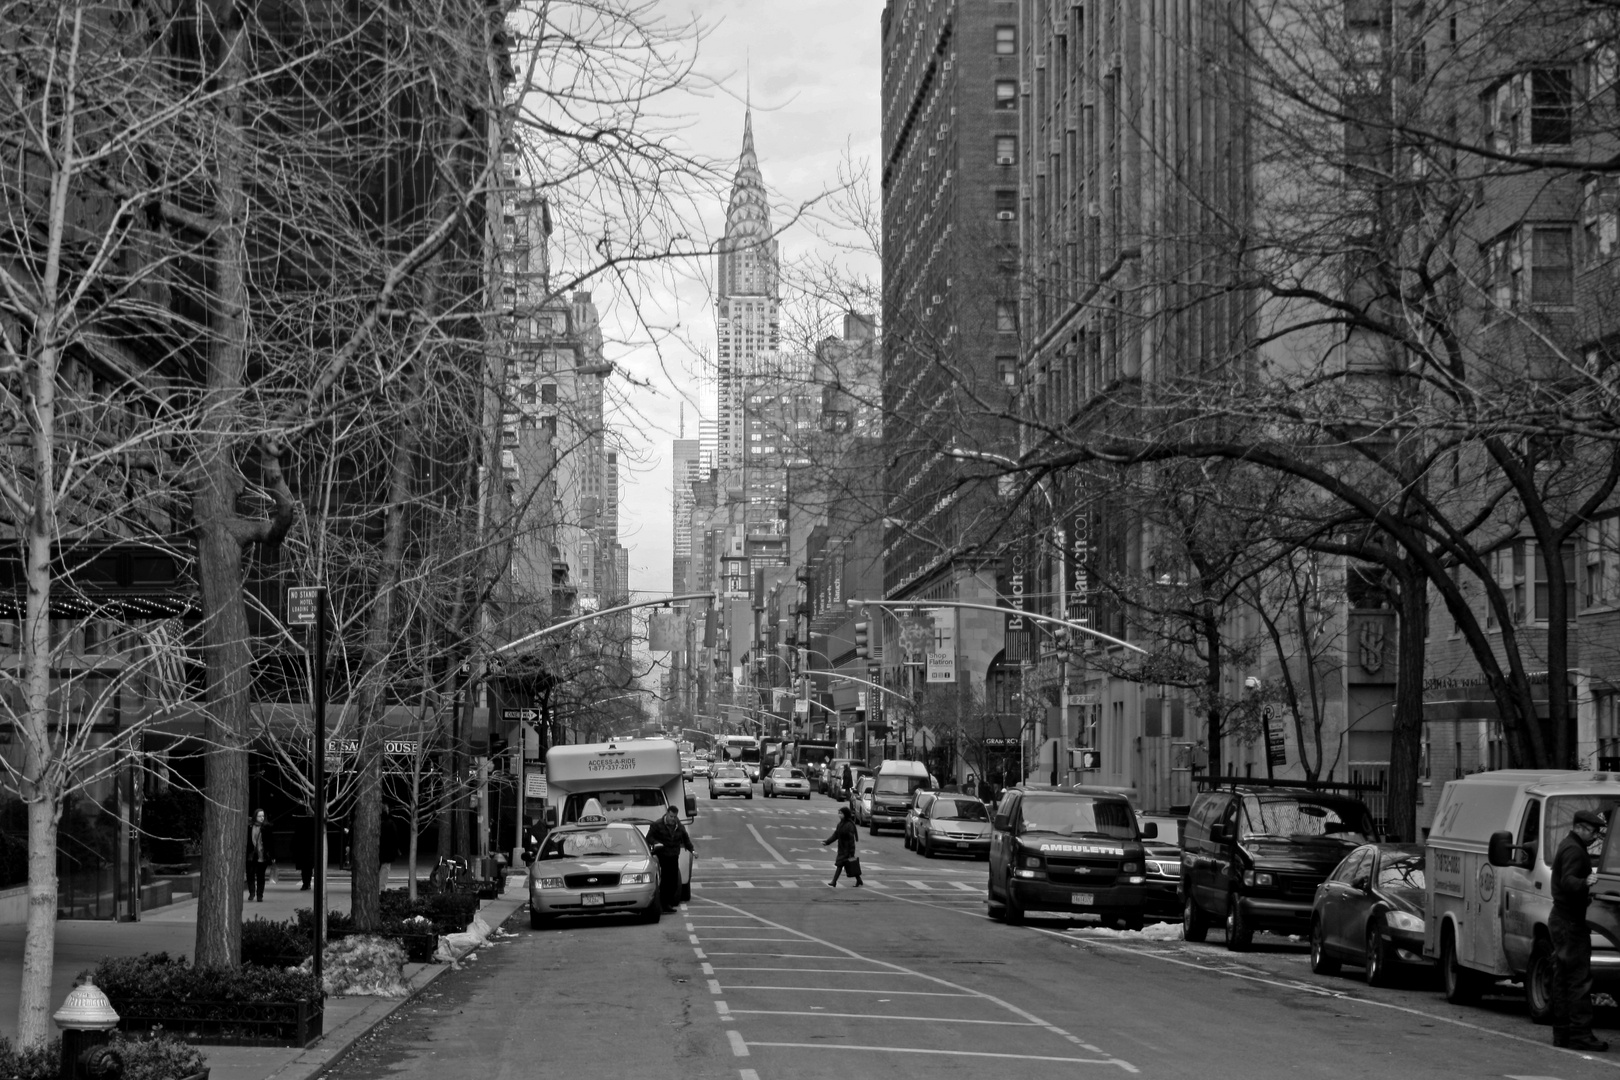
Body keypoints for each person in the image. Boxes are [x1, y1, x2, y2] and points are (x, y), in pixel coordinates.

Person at [1551, 808, 1609, 1052]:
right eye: (1593, 832)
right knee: (1578, 979)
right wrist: (1585, 882)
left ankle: (1563, 1033)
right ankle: (1580, 1035)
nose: (1595, 837)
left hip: (1562, 919)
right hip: (1571, 922)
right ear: (1581, 828)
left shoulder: (1567, 845)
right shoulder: (1575, 850)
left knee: (1563, 978)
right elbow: (1568, 881)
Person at [646, 805, 694, 912]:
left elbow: (685, 838)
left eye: (675, 817)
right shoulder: (657, 825)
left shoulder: (679, 826)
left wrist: (692, 850)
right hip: (662, 855)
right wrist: (656, 843)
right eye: (671, 816)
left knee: (673, 881)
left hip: (674, 855)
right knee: (666, 879)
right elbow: (649, 838)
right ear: (667, 814)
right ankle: (664, 904)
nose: (673, 819)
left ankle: (667, 902)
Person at [823, 806, 862, 888]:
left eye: (841, 813)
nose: (839, 815)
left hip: (847, 850)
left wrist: (852, 853)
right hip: (841, 848)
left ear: (845, 814)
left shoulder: (849, 825)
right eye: (839, 813)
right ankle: (858, 880)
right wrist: (827, 842)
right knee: (849, 866)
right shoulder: (840, 824)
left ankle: (834, 882)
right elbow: (836, 835)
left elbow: (851, 840)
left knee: (840, 865)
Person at [245, 809, 272, 903]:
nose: (262, 818)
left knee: (261, 876)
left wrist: (272, 855)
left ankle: (260, 895)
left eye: (263, 816)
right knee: (250, 874)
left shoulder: (267, 827)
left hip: (262, 855)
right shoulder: (249, 827)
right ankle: (252, 892)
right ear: (255, 817)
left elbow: (271, 842)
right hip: (251, 854)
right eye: (259, 816)